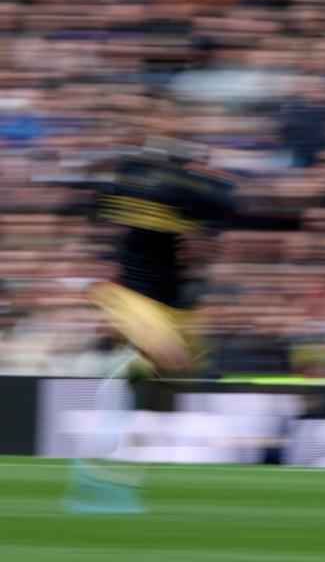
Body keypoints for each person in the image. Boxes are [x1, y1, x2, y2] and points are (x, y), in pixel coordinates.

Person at [63, 133, 235, 514]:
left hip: (175, 307)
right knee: (166, 358)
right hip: (134, 298)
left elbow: (207, 238)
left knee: (173, 390)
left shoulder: (189, 201)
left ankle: (117, 474)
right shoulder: (158, 193)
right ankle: (127, 368)